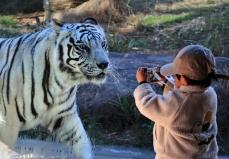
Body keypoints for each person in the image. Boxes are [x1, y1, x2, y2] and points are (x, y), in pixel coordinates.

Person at [133, 45, 218, 159]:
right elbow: (185, 95)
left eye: (175, 76)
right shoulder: (210, 94)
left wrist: (143, 84)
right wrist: (166, 82)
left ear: (183, 79)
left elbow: (147, 104)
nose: (173, 77)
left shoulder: (177, 105)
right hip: (204, 155)